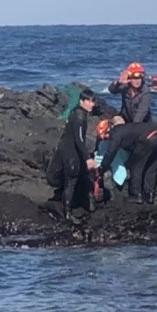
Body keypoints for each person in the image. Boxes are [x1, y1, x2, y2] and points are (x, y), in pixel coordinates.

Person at [46, 88, 98, 218]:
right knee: (71, 181)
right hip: (70, 152)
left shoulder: (75, 111)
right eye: (88, 101)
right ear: (81, 101)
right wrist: (87, 158)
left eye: (93, 101)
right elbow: (79, 139)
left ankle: (84, 205)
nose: (91, 104)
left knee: (80, 176)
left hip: (64, 148)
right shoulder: (80, 116)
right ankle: (68, 213)